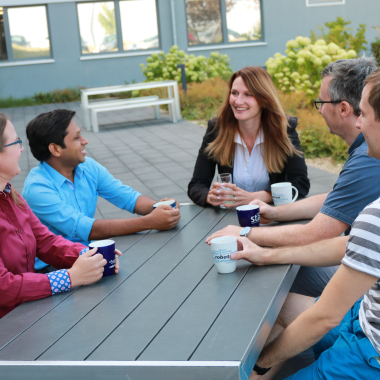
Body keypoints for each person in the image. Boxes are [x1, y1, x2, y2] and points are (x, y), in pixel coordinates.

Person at [207, 57, 380, 297]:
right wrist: (277, 212)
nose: (319, 110)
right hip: (365, 263)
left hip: (369, 284)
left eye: (321, 103)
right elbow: (338, 199)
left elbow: (317, 234)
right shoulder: (365, 152)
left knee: (272, 275)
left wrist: (245, 233)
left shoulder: (366, 157)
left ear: (343, 108)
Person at [248, 67, 380, 380]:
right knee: (279, 305)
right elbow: (354, 242)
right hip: (361, 318)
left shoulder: (374, 206)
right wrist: (268, 254)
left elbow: (324, 317)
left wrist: (258, 362)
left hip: (368, 354)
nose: (359, 123)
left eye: (364, 113)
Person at [22, 109, 180, 272]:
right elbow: (88, 229)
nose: (85, 141)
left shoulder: (87, 167)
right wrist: (150, 222)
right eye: (76, 137)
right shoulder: (37, 188)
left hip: (89, 253)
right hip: (51, 268)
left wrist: (162, 208)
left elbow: (128, 198)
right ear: (55, 149)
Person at [0, 113, 121, 319]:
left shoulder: (11, 196)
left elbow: (45, 242)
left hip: (26, 317)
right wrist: (70, 277)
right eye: (16, 142)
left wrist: (89, 256)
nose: (22, 149)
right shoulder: (33, 187)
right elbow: (4, 287)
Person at [187, 66, 310, 208]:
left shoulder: (284, 129)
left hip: (273, 217)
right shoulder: (217, 130)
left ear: (264, 99)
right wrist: (210, 197)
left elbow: (300, 184)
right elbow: (196, 185)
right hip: (231, 218)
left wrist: (255, 198)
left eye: (248, 94)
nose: (238, 101)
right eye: (234, 93)